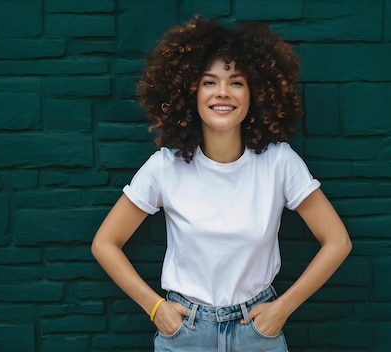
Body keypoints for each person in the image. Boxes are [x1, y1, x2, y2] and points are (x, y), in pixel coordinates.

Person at [91, 15, 352, 352]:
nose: (223, 93)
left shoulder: (279, 163)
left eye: (237, 82)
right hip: (185, 333)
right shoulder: (165, 167)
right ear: (192, 92)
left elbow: (337, 241)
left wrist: (281, 310)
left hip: (257, 332)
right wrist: (157, 310)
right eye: (209, 82)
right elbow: (105, 243)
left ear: (255, 92)